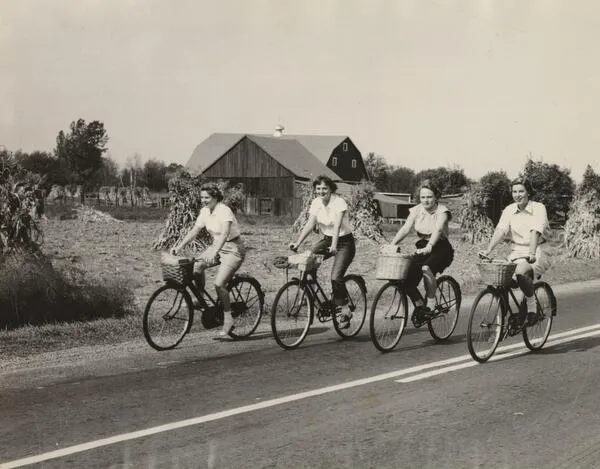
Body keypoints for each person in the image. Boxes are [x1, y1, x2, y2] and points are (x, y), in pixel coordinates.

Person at [171, 184, 245, 336]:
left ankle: (228, 319)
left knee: (219, 284)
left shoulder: (224, 211)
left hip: (233, 249)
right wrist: (179, 247)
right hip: (216, 246)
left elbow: (224, 234)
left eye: (207, 198)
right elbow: (195, 230)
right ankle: (201, 298)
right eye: (202, 197)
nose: (204, 200)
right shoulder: (205, 211)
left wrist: (214, 253)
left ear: (216, 198)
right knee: (196, 267)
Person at [480, 177, 550, 323]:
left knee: (520, 272)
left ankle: (532, 307)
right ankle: (504, 310)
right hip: (517, 251)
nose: (517, 195)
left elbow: (535, 232)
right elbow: (500, 230)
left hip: (537, 250)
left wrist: (531, 253)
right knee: (501, 278)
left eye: (521, 191)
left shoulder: (538, 208)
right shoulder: (509, 210)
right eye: (514, 191)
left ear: (528, 192)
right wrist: (488, 250)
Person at [290, 175, 355, 328]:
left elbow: (337, 225)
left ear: (331, 189)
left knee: (335, 277)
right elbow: (310, 223)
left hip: (344, 242)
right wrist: (297, 243)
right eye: (318, 189)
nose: (321, 191)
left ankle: (345, 310)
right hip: (326, 239)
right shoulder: (316, 202)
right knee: (307, 259)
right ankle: (312, 297)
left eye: (324, 188)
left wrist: (334, 245)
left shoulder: (339, 202)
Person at [389, 179, 454, 321]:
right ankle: (420, 306)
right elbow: (406, 228)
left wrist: (429, 246)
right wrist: (392, 244)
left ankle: (430, 303)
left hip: (441, 247)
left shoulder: (442, 211)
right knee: (405, 277)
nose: (426, 200)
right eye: (423, 197)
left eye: (429, 197)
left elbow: (437, 230)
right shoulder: (416, 210)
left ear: (436, 196)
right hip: (422, 246)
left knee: (426, 268)